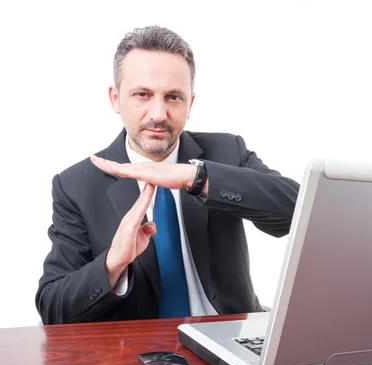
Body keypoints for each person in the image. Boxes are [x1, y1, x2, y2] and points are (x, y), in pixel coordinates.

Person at [35, 26, 300, 325]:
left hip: (229, 339)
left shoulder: (227, 151)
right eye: (142, 95)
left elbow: (297, 211)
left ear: (190, 104)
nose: (158, 113)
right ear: (115, 98)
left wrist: (197, 178)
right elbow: (53, 308)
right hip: (135, 353)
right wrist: (112, 264)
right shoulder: (76, 185)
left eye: (173, 97)